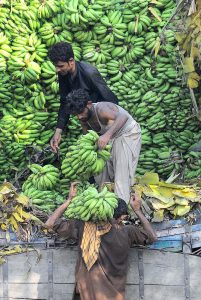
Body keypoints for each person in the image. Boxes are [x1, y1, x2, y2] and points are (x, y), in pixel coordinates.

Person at [45, 182, 157, 300]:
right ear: (122, 218)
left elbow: (49, 223)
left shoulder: (84, 227)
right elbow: (152, 237)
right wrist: (137, 210)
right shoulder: (128, 232)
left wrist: (69, 200)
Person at [65, 89, 141, 204]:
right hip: (112, 137)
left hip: (127, 133)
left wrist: (106, 136)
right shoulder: (83, 117)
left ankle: (122, 209)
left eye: (81, 112)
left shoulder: (101, 109)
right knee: (101, 172)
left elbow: (123, 117)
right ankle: (105, 203)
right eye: (76, 114)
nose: (79, 117)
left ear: (89, 104)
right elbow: (87, 136)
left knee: (121, 173)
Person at [48, 42, 118, 152]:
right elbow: (64, 102)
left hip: (104, 120)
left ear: (71, 61)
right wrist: (58, 131)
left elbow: (111, 100)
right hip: (87, 121)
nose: (57, 69)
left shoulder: (89, 73)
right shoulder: (63, 73)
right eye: (56, 66)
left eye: (60, 66)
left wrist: (109, 131)